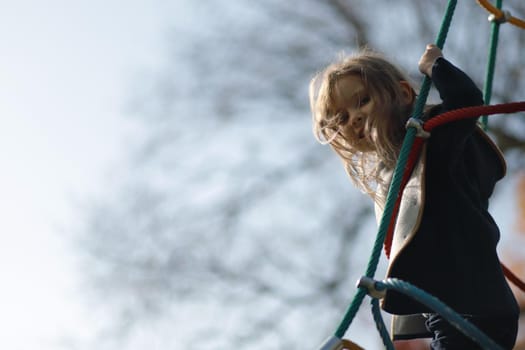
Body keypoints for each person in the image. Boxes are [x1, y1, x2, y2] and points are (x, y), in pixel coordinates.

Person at [309, 44, 519, 349]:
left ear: (404, 95)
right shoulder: (391, 173)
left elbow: (466, 100)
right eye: (341, 118)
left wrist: (435, 66)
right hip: (449, 307)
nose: (353, 119)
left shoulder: (432, 143)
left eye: (363, 101)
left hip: (473, 303)